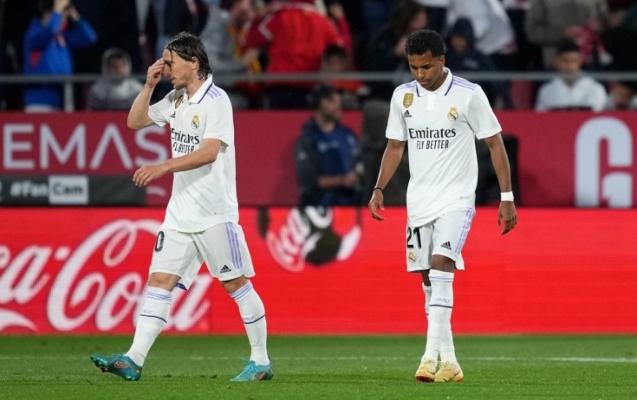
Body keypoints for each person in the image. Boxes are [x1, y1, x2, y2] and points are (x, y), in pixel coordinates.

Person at [90, 32, 272, 382]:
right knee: (160, 281)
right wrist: (148, 86)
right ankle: (133, 359)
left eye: (171, 62)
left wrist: (163, 167)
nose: (166, 68)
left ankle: (261, 360)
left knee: (235, 284)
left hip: (214, 213)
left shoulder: (216, 100)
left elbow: (209, 152)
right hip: (179, 214)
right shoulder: (176, 98)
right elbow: (134, 122)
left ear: (194, 62)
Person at [368, 29, 517, 383]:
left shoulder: (469, 94)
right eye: (414, 67)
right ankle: (450, 361)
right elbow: (395, 146)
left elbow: (495, 144)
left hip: (457, 199)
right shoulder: (403, 96)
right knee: (428, 279)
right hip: (419, 201)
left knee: (441, 265)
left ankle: (428, 357)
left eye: (426, 67)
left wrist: (507, 197)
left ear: (441, 61)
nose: (420, 74)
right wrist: (378, 187)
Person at [22, 0, 96, 111]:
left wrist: (76, 17)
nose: (63, 20)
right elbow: (51, 30)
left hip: (62, 98)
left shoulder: (61, 38)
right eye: (61, 16)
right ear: (46, 14)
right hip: (39, 100)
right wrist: (57, 9)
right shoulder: (34, 33)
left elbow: (90, 38)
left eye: (65, 17)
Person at [295, 84, 362, 206]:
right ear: (320, 103)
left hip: (349, 205)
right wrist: (342, 181)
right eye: (332, 101)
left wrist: (358, 174)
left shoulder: (347, 135)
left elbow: (359, 164)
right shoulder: (308, 139)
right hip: (317, 206)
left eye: (339, 102)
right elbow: (309, 180)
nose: (338, 106)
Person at [535, 39, 607, 111]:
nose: (570, 66)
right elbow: (540, 115)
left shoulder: (595, 87)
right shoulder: (546, 90)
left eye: (574, 61)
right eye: (565, 61)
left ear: (580, 61)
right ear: (557, 62)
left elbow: (600, 114)